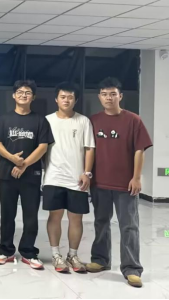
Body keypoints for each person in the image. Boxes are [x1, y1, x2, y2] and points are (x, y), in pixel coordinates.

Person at [86, 77, 152, 288]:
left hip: (126, 185)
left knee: (129, 226)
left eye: (113, 94)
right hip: (99, 183)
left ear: (120, 96)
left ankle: (132, 268)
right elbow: (89, 150)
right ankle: (100, 259)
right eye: (104, 94)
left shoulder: (133, 120)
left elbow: (139, 150)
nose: (109, 98)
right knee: (101, 222)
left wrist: (136, 177)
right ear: (99, 97)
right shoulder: (93, 121)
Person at [0, 80, 53, 270]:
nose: (23, 95)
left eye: (27, 92)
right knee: (7, 215)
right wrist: (12, 158)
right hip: (7, 173)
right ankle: (6, 250)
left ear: (33, 97)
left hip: (31, 175)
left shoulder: (40, 120)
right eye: (20, 92)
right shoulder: (4, 119)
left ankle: (28, 252)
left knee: (31, 217)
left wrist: (24, 164)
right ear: (14, 95)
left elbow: (43, 146)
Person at [43, 82, 95, 273]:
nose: (66, 100)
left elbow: (89, 148)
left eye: (70, 97)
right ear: (56, 99)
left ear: (76, 100)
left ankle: (73, 255)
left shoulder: (83, 121)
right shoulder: (47, 120)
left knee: (76, 218)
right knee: (54, 216)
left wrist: (86, 172)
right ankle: (56, 254)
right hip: (53, 177)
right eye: (63, 97)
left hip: (77, 179)